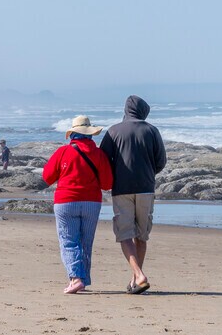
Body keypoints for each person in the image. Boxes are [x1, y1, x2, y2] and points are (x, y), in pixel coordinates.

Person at [99, 95, 167, 295]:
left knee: (125, 234)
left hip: (122, 189)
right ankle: (136, 278)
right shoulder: (152, 130)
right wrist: (147, 173)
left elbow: (104, 159)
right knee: (141, 235)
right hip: (146, 188)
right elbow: (161, 161)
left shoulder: (113, 131)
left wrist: (115, 175)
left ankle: (138, 275)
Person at [43, 116, 113, 294]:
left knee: (68, 241)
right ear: (90, 134)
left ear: (73, 133)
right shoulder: (99, 154)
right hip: (91, 202)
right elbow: (107, 183)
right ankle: (83, 279)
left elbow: (47, 177)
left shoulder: (63, 152)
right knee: (86, 242)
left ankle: (76, 278)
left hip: (66, 201)